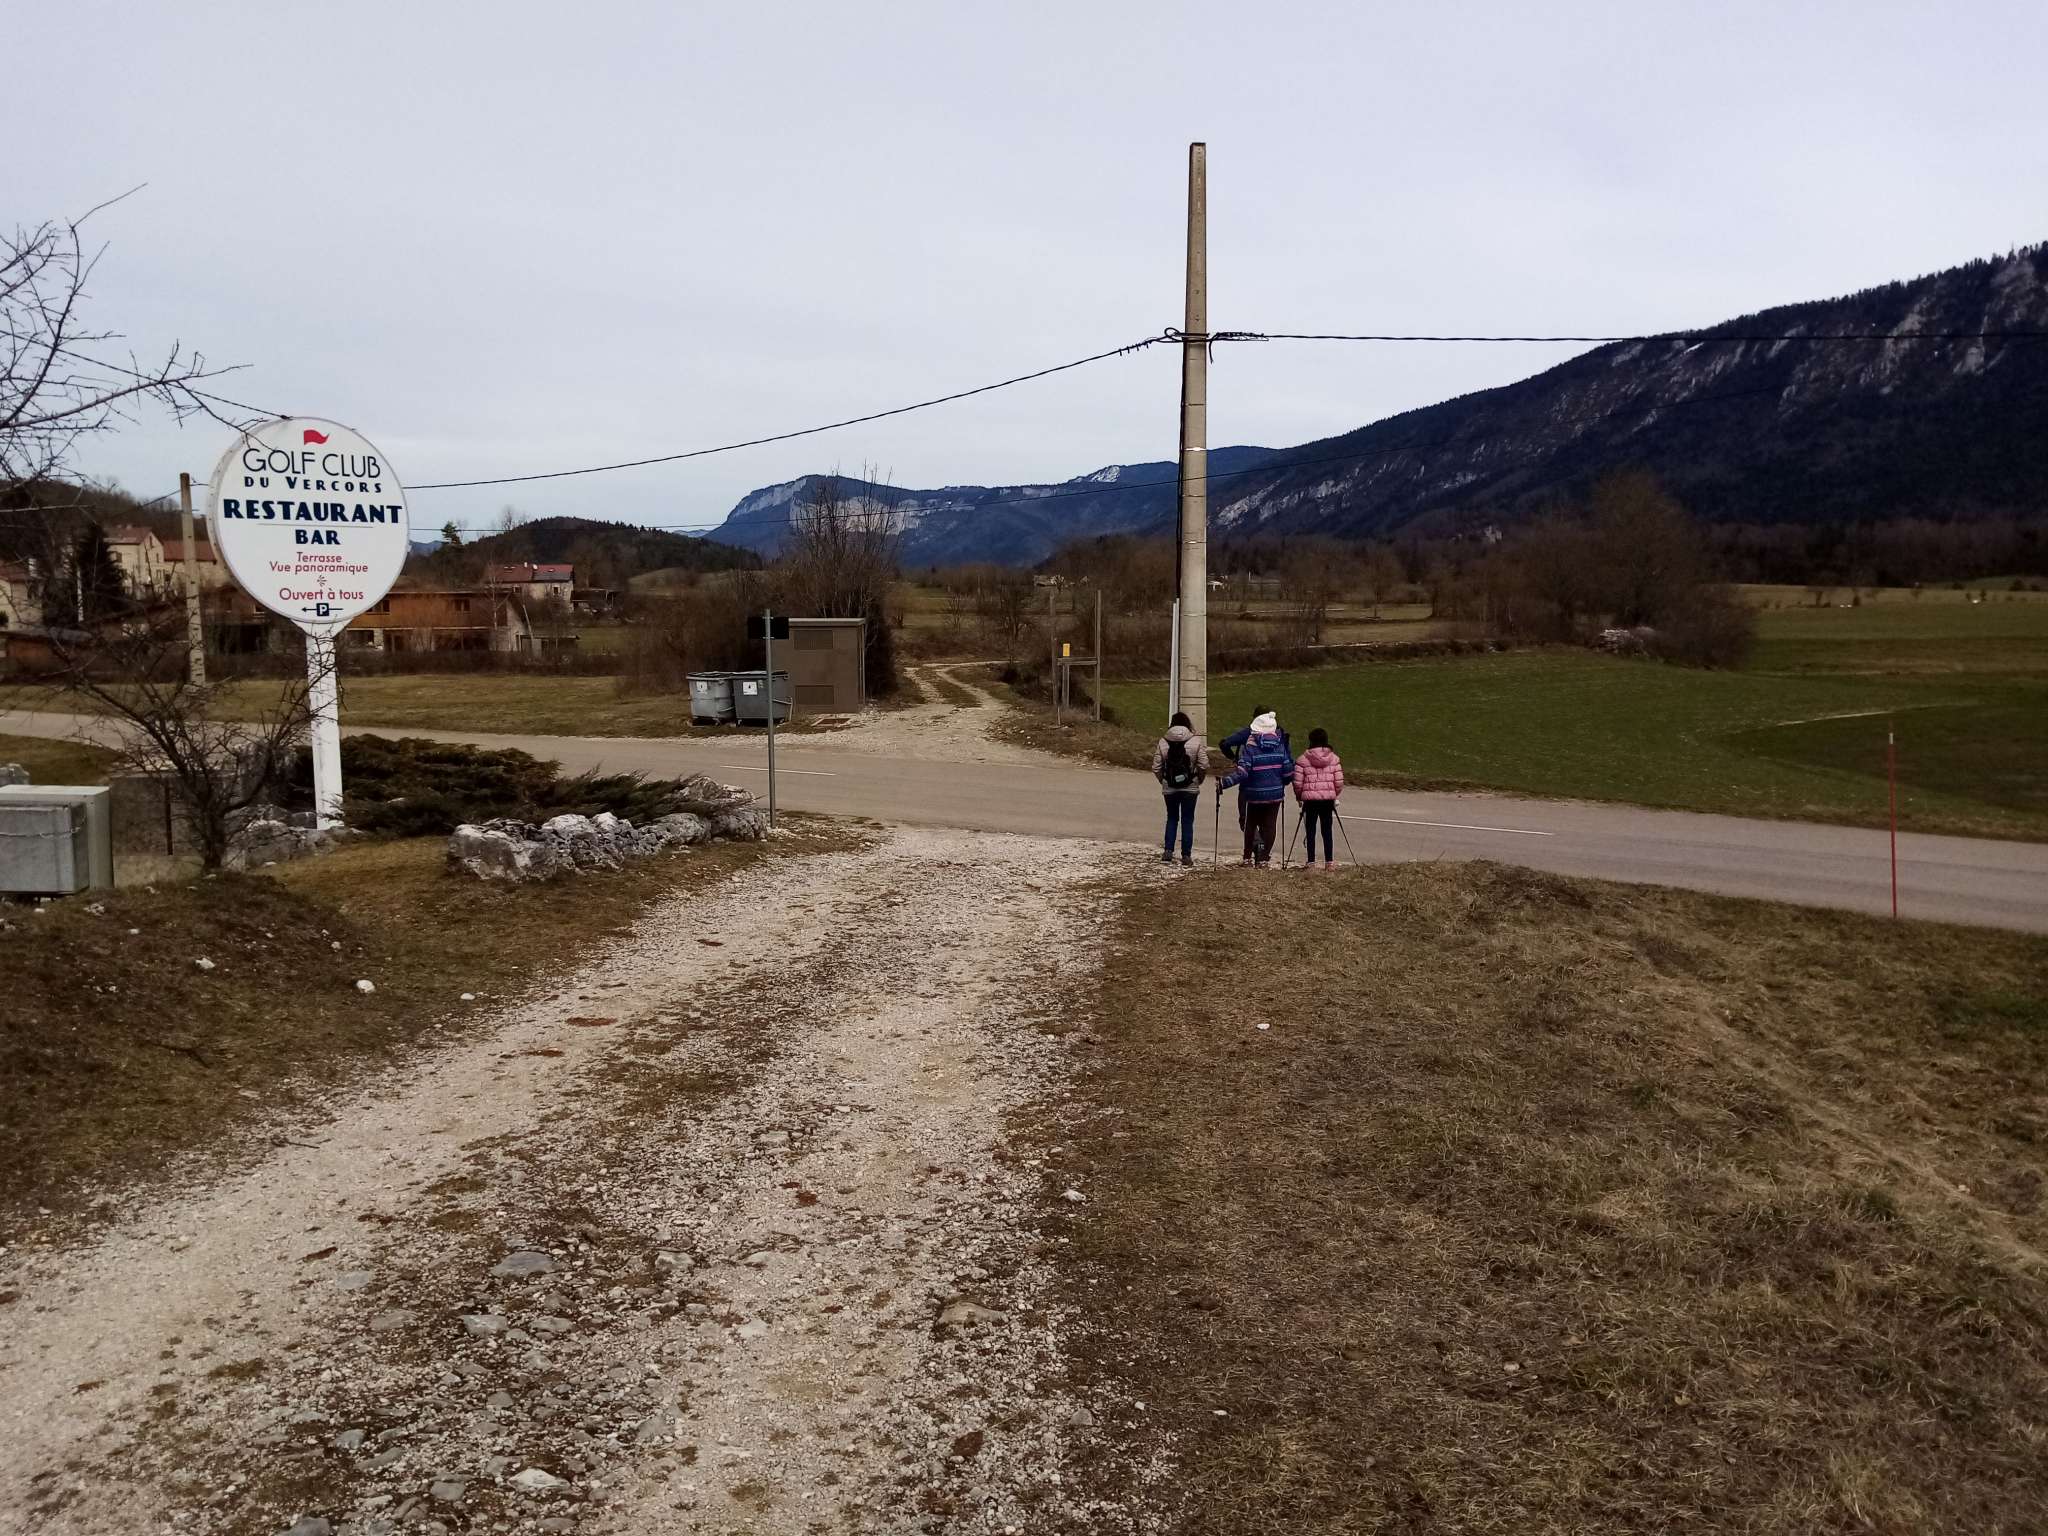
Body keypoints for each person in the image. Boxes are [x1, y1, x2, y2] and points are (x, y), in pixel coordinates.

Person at [1217, 711, 1294, 867]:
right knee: (1270, 825)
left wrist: (1224, 783)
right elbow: (1288, 771)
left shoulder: (1251, 747)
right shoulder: (1280, 746)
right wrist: (1284, 781)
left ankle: (1247, 858)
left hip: (1253, 792)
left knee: (1250, 824)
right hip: (1275, 792)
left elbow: (1242, 772)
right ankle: (1264, 859)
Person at [1150, 710, 1211, 866]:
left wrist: (1164, 780)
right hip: (1190, 787)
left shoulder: (1163, 741)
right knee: (1187, 820)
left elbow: (1156, 767)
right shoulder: (1195, 741)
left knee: (1172, 818)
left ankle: (1168, 851)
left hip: (1169, 787)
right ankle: (1186, 855)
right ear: (1187, 724)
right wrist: (1199, 780)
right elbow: (1204, 765)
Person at [1292, 727, 1344, 870]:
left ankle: (1311, 862)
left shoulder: (1303, 759)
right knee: (1327, 830)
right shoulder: (1334, 759)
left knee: (1310, 830)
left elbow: (1297, 783)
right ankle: (1329, 862)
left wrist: (1299, 796)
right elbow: (1339, 782)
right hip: (1327, 800)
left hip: (1310, 800)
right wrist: (1333, 794)